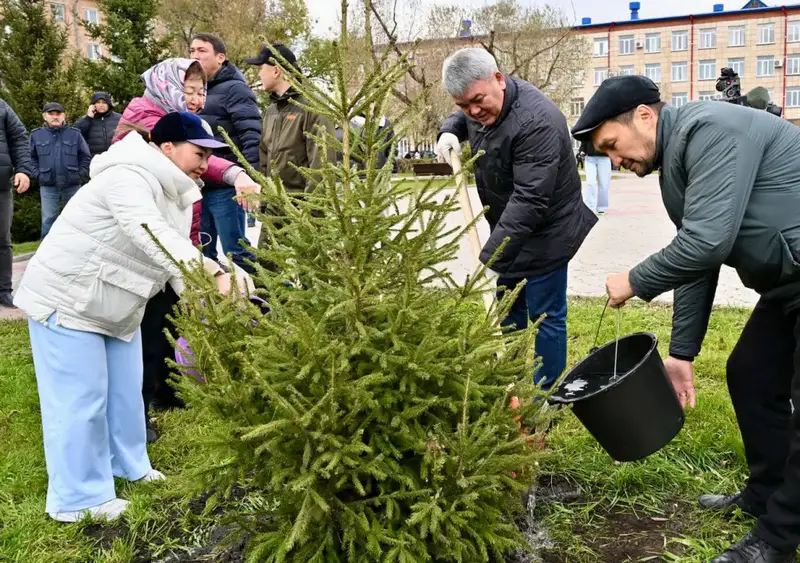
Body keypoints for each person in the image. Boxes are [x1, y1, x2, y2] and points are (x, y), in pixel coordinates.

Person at [572, 74, 800, 563]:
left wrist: (634, 279)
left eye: (612, 145)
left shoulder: (710, 130)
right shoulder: (678, 160)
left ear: (645, 115)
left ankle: (777, 540)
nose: (614, 161)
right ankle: (766, 493)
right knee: (751, 374)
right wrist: (681, 354)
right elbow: (699, 261)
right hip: (789, 284)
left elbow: (706, 242)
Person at [14, 112, 240, 523]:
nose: (205, 163)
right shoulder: (128, 176)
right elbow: (150, 233)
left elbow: (171, 262)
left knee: (123, 395)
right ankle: (78, 499)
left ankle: (128, 465)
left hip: (117, 304)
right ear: (166, 146)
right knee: (80, 400)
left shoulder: (176, 193)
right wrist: (212, 274)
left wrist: (205, 300)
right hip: (70, 300)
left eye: (210, 156)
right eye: (198, 152)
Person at [114, 57, 260, 441]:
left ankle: (166, 391)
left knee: (169, 317)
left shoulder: (183, 121)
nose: (195, 99)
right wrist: (235, 173)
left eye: (200, 91)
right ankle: (138, 414)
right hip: (148, 245)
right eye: (188, 90)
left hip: (178, 238)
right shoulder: (149, 122)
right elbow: (190, 166)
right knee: (144, 329)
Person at [434, 48, 597, 390]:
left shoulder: (537, 121)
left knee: (545, 316)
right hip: (509, 230)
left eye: (477, 101)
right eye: (464, 105)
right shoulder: (478, 107)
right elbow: (464, 116)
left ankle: (546, 397)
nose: (474, 112)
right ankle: (509, 382)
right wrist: (450, 129)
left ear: (498, 78)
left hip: (548, 232)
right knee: (508, 308)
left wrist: (491, 257)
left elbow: (530, 199)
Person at [190, 33, 260, 271]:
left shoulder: (234, 89)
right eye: (192, 51)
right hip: (199, 184)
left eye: (202, 50)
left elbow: (251, 134)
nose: (195, 56)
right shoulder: (196, 90)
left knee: (236, 250)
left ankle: (261, 299)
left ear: (220, 57)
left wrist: (250, 176)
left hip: (226, 186)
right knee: (202, 250)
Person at [30, 102, 91, 238]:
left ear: (64, 116)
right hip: (48, 185)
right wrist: (38, 176)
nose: (55, 116)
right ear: (45, 116)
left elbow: (85, 156)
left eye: (58, 114)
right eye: (51, 114)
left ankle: (77, 249)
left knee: (76, 219)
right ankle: (46, 254)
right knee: (49, 220)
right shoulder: (36, 135)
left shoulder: (75, 134)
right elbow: (30, 158)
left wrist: (79, 174)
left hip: (72, 185)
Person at [0, 99, 32, 308]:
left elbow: (19, 138)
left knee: (2, 239)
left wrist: (23, 169)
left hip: (0, 184)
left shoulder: (2, 107)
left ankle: (4, 291)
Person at [74, 92, 122, 157]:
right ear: (93, 105)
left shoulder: (119, 118)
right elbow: (75, 134)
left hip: (116, 158)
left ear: (108, 104)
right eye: (98, 102)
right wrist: (89, 117)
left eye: (104, 102)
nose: (101, 105)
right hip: (94, 161)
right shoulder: (87, 119)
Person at [579, 138, 611, 215]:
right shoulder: (588, 127)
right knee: (590, 183)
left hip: (604, 158)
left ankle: (601, 208)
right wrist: (582, 150)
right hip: (590, 158)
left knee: (604, 184)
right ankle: (589, 207)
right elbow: (584, 140)